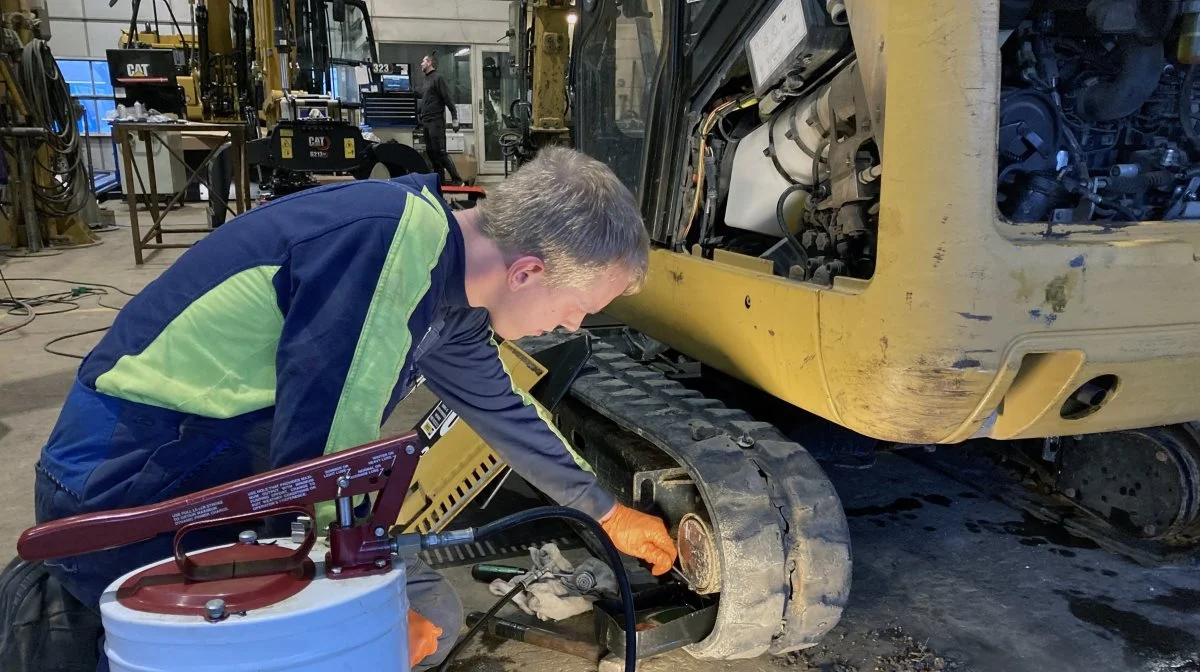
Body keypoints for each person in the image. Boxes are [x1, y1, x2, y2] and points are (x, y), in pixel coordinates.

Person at [30, 147, 677, 671]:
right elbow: (314, 473)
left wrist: (608, 512)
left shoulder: (448, 282)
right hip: (122, 495)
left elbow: (503, 411)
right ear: (528, 272)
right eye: (581, 306)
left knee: (430, 611)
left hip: (212, 472)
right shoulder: (384, 254)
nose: (572, 323)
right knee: (381, 632)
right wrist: (362, 625)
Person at [417, 52, 465, 185]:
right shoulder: (426, 80)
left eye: (423, 61)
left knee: (441, 152)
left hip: (436, 122)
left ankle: (457, 179)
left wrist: (455, 119)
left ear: (430, 63)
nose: (421, 64)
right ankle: (440, 180)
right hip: (426, 122)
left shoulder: (438, 78)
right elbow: (426, 100)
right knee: (431, 153)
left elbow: (448, 99)